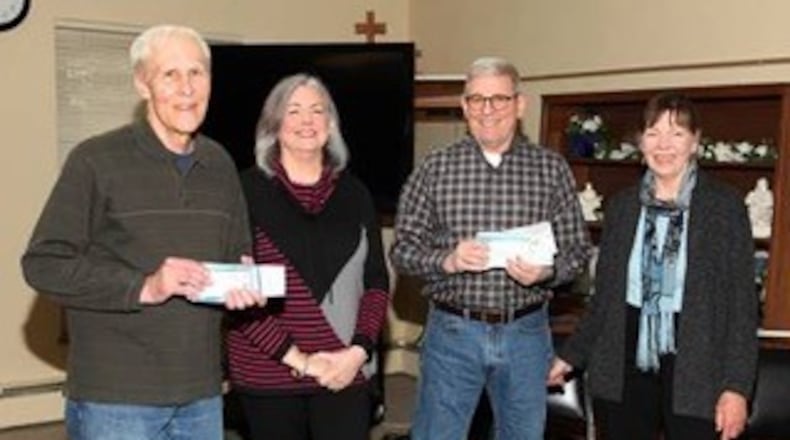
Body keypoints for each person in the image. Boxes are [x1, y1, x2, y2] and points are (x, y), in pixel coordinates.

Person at [20, 25, 266, 440]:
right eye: (170, 74)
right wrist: (146, 286)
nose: (187, 88)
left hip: (202, 395)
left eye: (197, 72)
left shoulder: (221, 163)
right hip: (115, 400)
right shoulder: (95, 159)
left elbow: (237, 252)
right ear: (142, 83)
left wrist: (241, 283)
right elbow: (43, 264)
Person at [390, 56, 591, 440]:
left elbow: (578, 252)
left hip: (526, 333)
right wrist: (447, 260)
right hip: (452, 332)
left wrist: (547, 271)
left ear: (519, 104)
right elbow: (402, 251)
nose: (488, 110)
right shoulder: (434, 169)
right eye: (477, 99)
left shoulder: (551, 169)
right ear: (464, 106)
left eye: (499, 99)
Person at [548, 92, 759, 440]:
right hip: (622, 358)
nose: (664, 145)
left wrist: (736, 388)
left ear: (695, 143)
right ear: (641, 142)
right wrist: (570, 356)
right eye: (653, 133)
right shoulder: (622, 207)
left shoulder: (724, 207)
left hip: (698, 360)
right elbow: (604, 300)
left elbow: (742, 308)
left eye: (677, 133)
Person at [224, 73, 390, 440]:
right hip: (268, 375)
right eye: (294, 110)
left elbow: (376, 282)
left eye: (317, 111)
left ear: (330, 125)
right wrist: (299, 359)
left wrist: (357, 353)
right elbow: (235, 291)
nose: (307, 121)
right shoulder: (242, 191)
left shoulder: (356, 193)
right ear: (274, 124)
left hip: (344, 370)